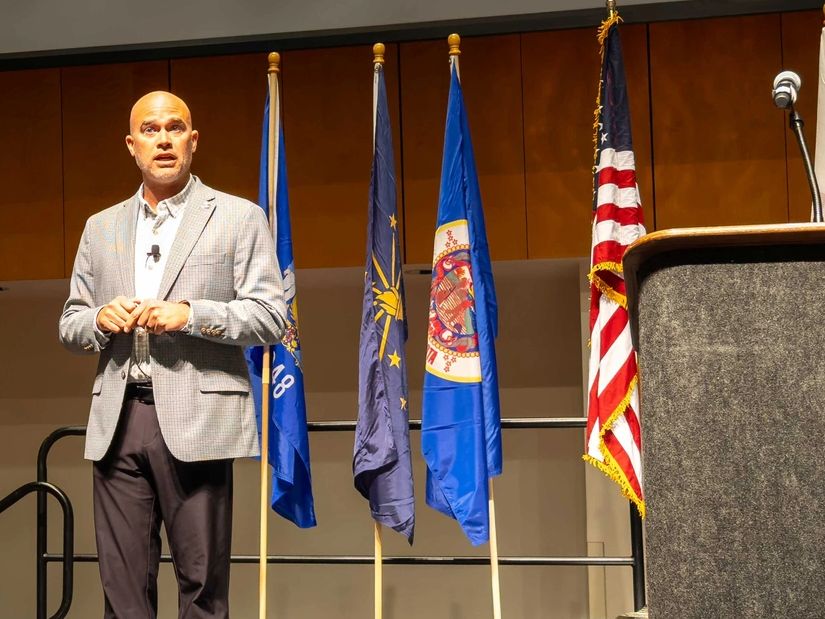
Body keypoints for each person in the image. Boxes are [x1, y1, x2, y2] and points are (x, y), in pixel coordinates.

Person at [58, 91, 286, 618]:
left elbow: (272, 316)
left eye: (175, 128)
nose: (163, 139)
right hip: (118, 419)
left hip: (199, 419)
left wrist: (192, 314)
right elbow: (70, 322)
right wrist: (97, 320)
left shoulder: (238, 217)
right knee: (121, 593)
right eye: (151, 130)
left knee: (202, 588)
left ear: (193, 141)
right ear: (132, 146)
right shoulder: (101, 226)